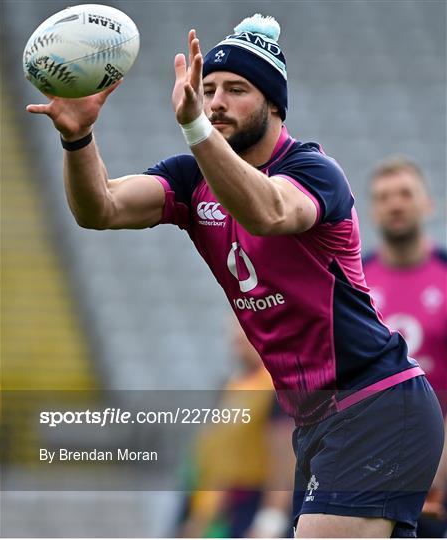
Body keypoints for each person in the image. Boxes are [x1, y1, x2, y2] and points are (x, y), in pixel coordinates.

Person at [26, 14, 444, 538]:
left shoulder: (313, 171)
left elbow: (267, 212)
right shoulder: (189, 180)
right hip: (318, 422)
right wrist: (79, 138)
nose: (215, 100)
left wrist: (196, 128)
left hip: (374, 405)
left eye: (236, 89)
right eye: (207, 89)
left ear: (274, 104)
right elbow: (101, 208)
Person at [363, 156, 447, 537]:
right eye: (383, 197)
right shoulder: (353, 282)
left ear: (427, 203)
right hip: (367, 468)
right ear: (373, 210)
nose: (395, 204)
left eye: (404, 194)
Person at [177, 320, 294, 538]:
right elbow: (221, 460)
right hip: (228, 508)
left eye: (243, 333)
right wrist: (201, 516)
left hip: (254, 506)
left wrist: (270, 521)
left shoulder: (275, 387)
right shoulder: (232, 387)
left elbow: (284, 462)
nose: (235, 339)